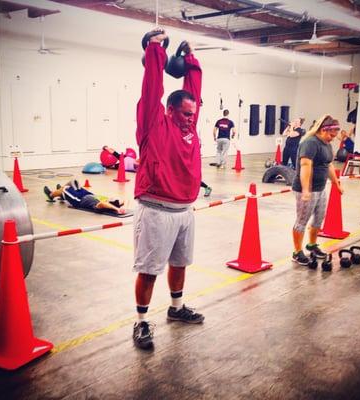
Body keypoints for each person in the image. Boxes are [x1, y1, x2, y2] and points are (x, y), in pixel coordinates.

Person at [132, 29, 204, 350]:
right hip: (156, 210)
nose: (192, 119)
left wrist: (191, 61)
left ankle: (176, 310)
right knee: (149, 271)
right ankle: (141, 322)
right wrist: (155, 52)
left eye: (194, 113)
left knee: (180, 264)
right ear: (170, 111)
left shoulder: (189, 125)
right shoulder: (154, 125)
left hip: (185, 211)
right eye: (186, 114)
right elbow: (152, 90)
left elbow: (194, 91)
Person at [291, 115, 343, 266]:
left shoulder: (326, 143)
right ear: (323, 130)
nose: (332, 138)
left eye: (334, 136)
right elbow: (305, 166)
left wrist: (336, 184)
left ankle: (312, 246)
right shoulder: (310, 143)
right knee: (302, 221)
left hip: (320, 188)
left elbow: (329, 165)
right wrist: (306, 189)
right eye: (331, 135)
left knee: (319, 218)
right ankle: (297, 252)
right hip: (305, 189)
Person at [43, 179, 126, 214]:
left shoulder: (99, 206)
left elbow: (102, 204)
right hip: (87, 194)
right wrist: (122, 205)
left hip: (79, 200)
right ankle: (61, 194)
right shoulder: (108, 202)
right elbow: (124, 200)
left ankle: (51, 195)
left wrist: (117, 209)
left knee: (65, 188)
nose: (111, 198)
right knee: (73, 181)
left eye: (111, 200)